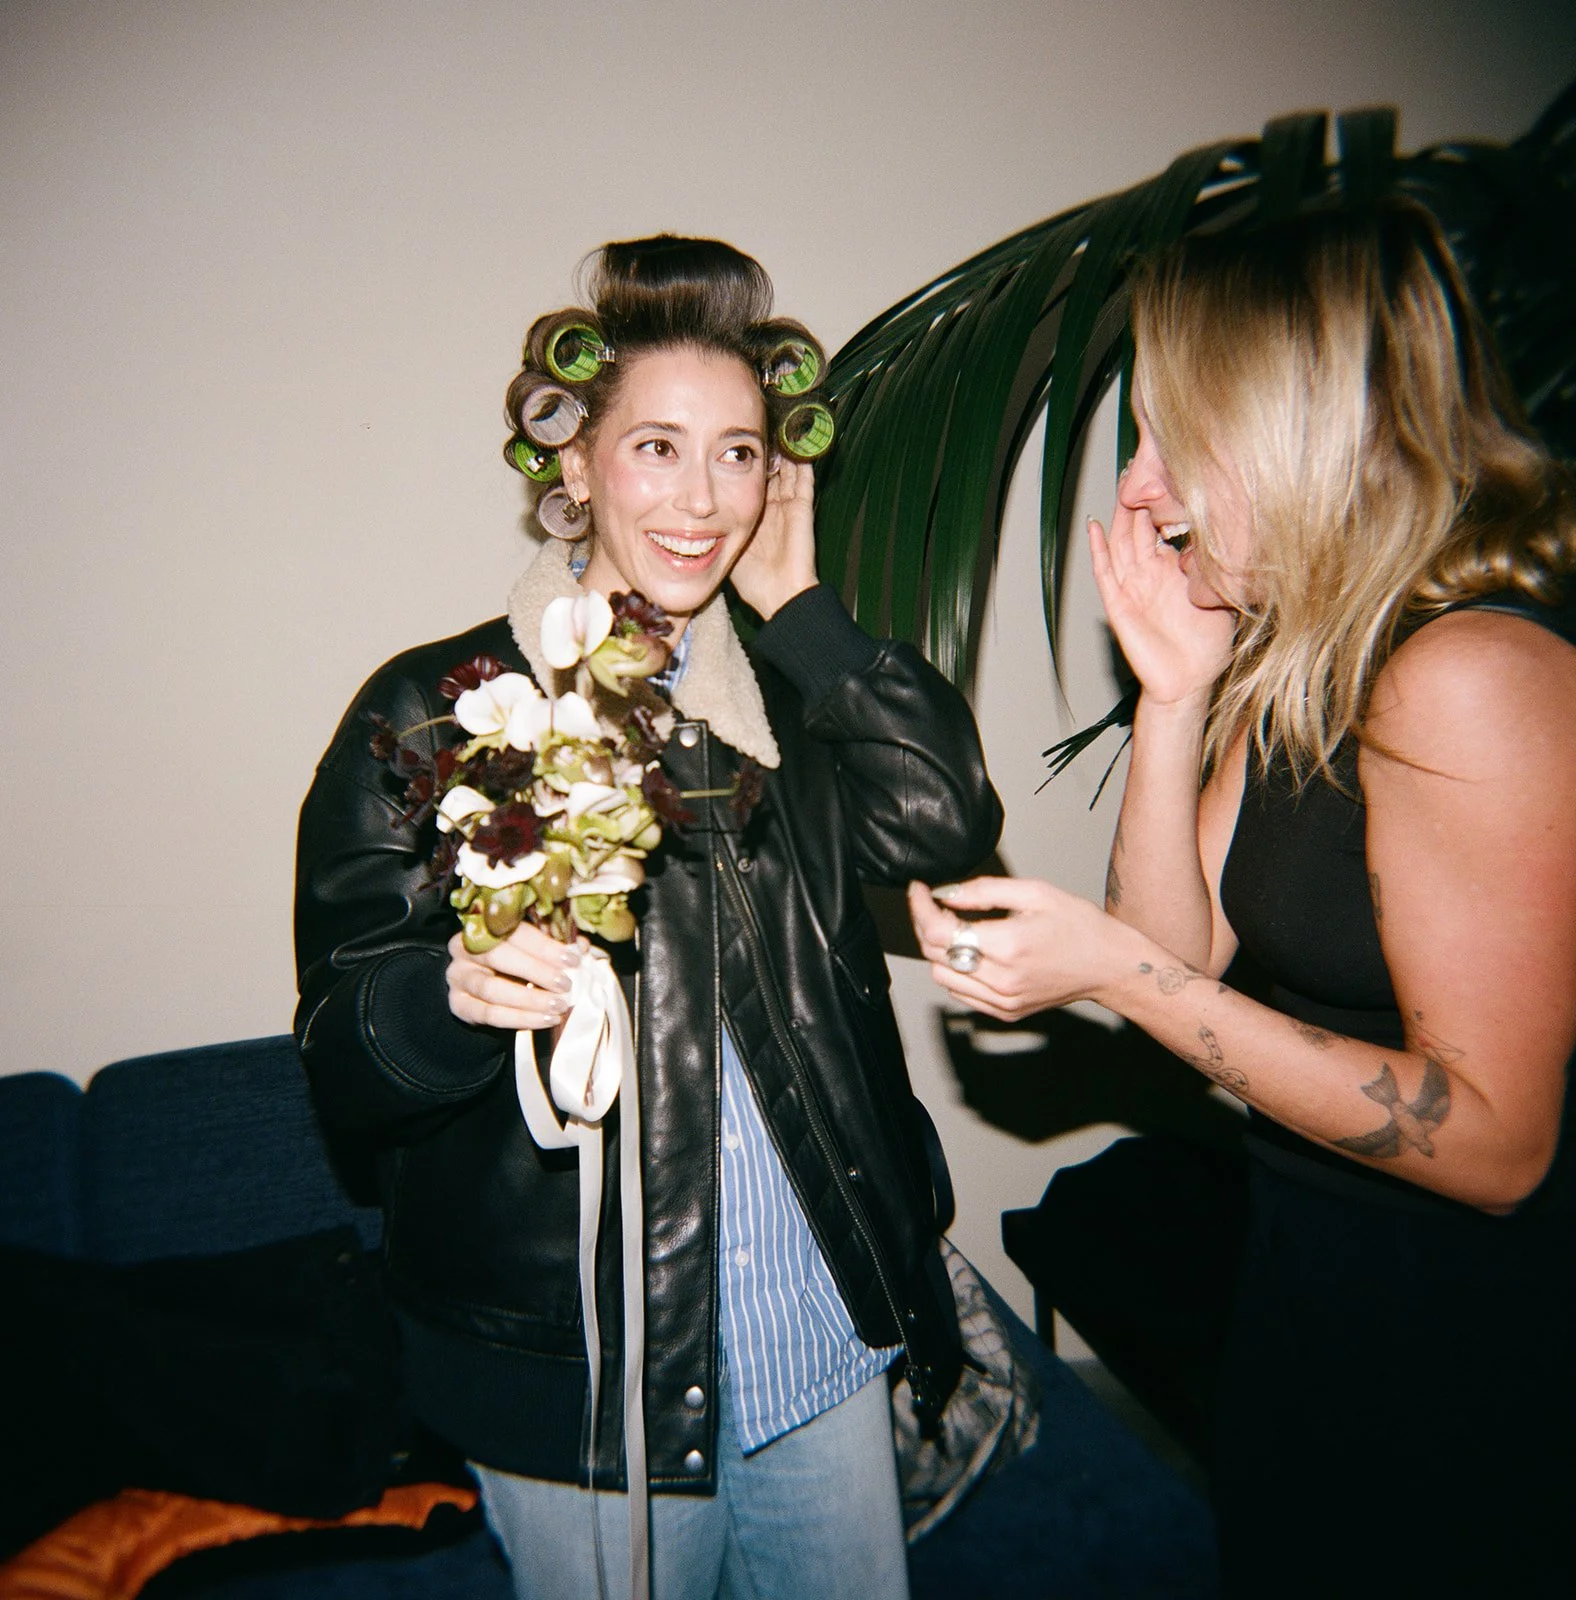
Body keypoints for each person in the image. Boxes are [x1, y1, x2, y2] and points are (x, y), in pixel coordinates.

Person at [294, 235, 1002, 1600]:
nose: (702, 497)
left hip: (819, 1333)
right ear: (575, 466)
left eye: (739, 453)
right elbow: (340, 1053)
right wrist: (454, 995)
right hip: (586, 1372)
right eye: (658, 448)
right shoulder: (436, 711)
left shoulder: (794, 704)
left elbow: (943, 830)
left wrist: (802, 613)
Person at [908, 200, 1576, 1596]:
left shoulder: (1471, 678)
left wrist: (1112, 973)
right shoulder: (1308, 659)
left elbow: (1502, 1142)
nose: (1139, 490)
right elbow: (1178, 955)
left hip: (1481, 1344)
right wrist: (1174, 695)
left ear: (1298, 426)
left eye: (1171, 439)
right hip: (1314, 1283)